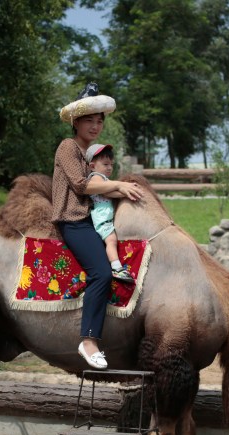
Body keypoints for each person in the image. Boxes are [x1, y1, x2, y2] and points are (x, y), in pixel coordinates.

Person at [54, 82, 144, 370]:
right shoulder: (68, 147)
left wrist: (128, 190)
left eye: (99, 121)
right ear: (76, 122)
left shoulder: (87, 154)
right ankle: (89, 340)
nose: (95, 126)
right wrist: (118, 184)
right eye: (89, 120)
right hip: (73, 221)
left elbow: (101, 188)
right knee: (102, 273)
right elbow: (82, 185)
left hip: (89, 221)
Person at [85, 142, 134, 284]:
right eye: (106, 164)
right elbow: (108, 193)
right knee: (111, 240)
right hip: (102, 216)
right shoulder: (96, 178)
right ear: (93, 166)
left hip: (104, 215)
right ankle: (116, 267)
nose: (109, 168)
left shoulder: (103, 179)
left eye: (111, 165)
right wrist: (125, 192)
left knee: (111, 240)